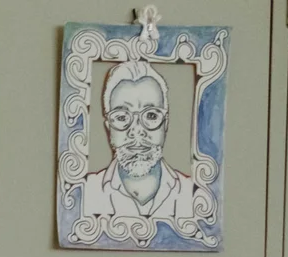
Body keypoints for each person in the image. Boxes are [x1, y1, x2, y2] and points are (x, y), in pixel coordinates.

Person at [73, 59, 201, 227]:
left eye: (151, 115)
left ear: (166, 123)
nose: (137, 130)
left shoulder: (193, 194)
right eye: (121, 117)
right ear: (108, 127)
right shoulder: (84, 193)